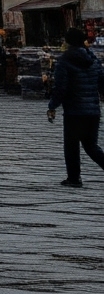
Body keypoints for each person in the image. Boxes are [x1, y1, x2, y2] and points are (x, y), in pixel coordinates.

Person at [47, 24, 104, 187]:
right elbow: (102, 83)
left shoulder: (64, 62)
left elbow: (60, 88)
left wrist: (52, 106)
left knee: (71, 145)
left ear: (68, 42)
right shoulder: (94, 60)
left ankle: (74, 178)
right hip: (93, 111)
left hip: (74, 111)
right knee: (91, 146)